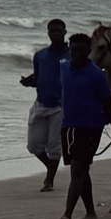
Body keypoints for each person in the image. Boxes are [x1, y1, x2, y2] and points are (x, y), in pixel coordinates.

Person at [58, 31, 111, 219]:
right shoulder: (64, 68)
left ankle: (67, 214)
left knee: (78, 169)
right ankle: (90, 212)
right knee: (81, 170)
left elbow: (108, 104)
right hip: (68, 127)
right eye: (73, 49)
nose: (75, 53)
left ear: (88, 51)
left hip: (91, 127)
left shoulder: (96, 75)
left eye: (80, 50)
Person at [21, 18, 71, 190]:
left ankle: (49, 180)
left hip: (60, 107)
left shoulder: (71, 55)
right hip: (41, 103)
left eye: (58, 30)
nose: (55, 34)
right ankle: (51, 167)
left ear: (65, 32)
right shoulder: (40, 55)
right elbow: (38, 77)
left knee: (54, 147)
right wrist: (29, 81)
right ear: (48, 33)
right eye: (52, 31)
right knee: (34, 145)